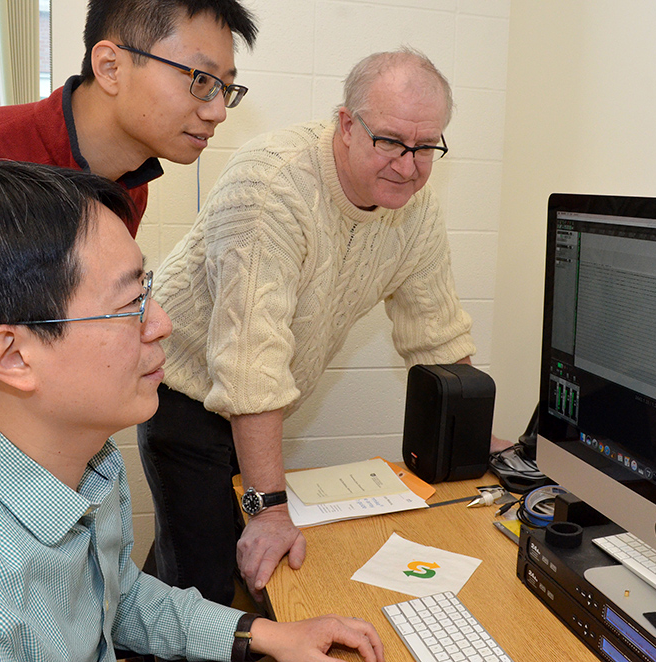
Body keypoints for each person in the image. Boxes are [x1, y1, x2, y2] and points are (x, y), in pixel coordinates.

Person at [0, 161, 384, 662]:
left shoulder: (75, 446)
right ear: (13, 357)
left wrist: (263, 635)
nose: (162, 323)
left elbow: (115, 598)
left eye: (148, 289)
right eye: (129, 304)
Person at [141, 48, 504, 606]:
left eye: (425, 147)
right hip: (183, 393)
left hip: (254, 407)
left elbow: (437, 334)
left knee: (193, 563)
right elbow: (249, 360)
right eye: (388, 141)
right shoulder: (273, 184)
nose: (407, 165)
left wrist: (481, 442)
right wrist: (270, 510)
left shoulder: (415, 205)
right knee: (208, 586)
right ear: (345, 124)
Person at [0, 0, 257, 488]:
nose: (218, 110)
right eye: (200, 80)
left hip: (25, 453)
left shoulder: (127, 184)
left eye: (225, 87)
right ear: (110, 66)